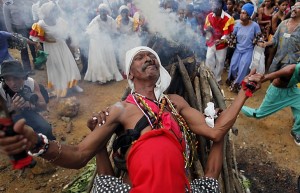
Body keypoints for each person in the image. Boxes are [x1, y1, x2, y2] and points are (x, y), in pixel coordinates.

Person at [0, 46, 263, 192]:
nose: (149, 58)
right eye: (140, 57)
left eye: (152, 57)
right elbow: (79, 154)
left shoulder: (176, 103)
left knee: (209, 184)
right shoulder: (120, 109)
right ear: (130, 73)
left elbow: (216, 133)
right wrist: (38, 144)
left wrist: (244, 92)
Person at [29, 1, 83, 97]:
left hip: (62, 46)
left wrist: (73, 44)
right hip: (51, 49)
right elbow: (35, 39)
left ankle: (74, 85)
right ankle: (61, 89)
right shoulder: (41, 24)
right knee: (57, 68)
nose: (56, 12)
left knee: (68, 64)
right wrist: (40, 44)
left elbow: (67, 33)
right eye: (53, 11)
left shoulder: (60, 20)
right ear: (48, 12)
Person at [241, 62, 300, 146]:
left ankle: (296, 131)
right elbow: (268, 76)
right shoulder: (289, 70)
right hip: (277, 93)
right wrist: (253, 82)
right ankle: (240, 107)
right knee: (258, 114)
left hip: (292, 90)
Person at [0, 60, 55, 140]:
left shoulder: (30, 83)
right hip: (10, 118)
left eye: (16, 78)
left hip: (28, 112)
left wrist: (31, 104)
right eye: (8, 80)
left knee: (46, 129)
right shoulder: (1, 90)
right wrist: (13, 108)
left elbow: (43, 106)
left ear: (22, 76)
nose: (13, 83)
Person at [226, 3, 262, 92]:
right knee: (233, 66)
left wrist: (259, 48)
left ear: (249, 15)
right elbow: (232, 37)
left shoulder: (255, 26)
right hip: (238, 49)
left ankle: (237, 86)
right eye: (241, 12)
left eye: (244, 13)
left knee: (243, 67)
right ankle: (233, 81)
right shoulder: (237, 24)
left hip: (248, 50)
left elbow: (259, 39)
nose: (241, 14)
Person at [84, 3, 123, 83]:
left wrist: (113, 34)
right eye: (101, 11)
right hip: (97, 42)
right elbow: (88, 31)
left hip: (107, 40)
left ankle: (111, 74)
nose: (103, 13)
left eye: (104, 11)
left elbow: (115, 30)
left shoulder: (110, 19)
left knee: (109, 57)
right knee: (100, 58)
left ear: (107, 12)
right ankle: (101, 77)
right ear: (99, 12)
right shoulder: (96, 20)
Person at [260, 1, 300, 73]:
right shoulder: (283, 23)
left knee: (282, 82)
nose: (294, 9)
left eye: (298, 8)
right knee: (271, 77)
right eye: (293, 7)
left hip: (291, 63)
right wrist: (265, 44)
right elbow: (275, 39)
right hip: (278, 60)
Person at [204, 0, 235, 85]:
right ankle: (209, 75)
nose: (213, 7)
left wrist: (221, 40)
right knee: (209, 58)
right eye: (212, 5)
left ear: (220, 7)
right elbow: (206, 29)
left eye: (215, 5)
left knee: (220, 61)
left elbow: (227, 33)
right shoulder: (209, 16)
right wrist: (208, 32)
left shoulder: (228, 18)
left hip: (222, 44)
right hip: (211, 42)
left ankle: (217, 78)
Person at [3, 0, 36, 74]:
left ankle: (36, 63)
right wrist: (11, 33)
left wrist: (34, 26)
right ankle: (27, 69)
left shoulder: (25, 1)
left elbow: (31, 14)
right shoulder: (7, 5)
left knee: (33, 46)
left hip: (29, 27)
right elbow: (7, 20)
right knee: (23, 49)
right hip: (19, 29)